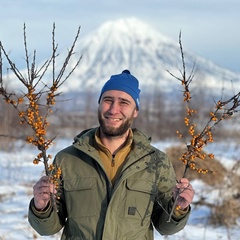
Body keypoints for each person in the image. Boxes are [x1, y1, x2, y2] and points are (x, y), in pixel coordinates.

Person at [28, 70, 195, 240]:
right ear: (99, 105)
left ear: (135, 111)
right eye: (108, 100)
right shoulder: (68, 159)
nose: (114, 109)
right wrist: (41, 207)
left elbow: (165, 227)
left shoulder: (156, 161)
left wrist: (178, 208)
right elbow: (49, 228)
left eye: (124, 102)